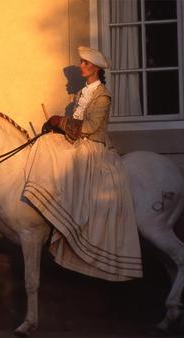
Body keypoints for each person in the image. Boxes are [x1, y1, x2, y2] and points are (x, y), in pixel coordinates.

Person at [23, 46, 143, 281]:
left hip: (93, 145)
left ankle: (64, 212)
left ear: (96, 68)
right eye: (81, 63)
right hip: (78, 140)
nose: (81, 67)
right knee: (46, 143)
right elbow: (75, 125)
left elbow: (90, 127)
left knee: (59, 154)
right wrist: (58, 125)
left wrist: (61, 121)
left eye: (85, 64)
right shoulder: (81, 94)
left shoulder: (102, 95)